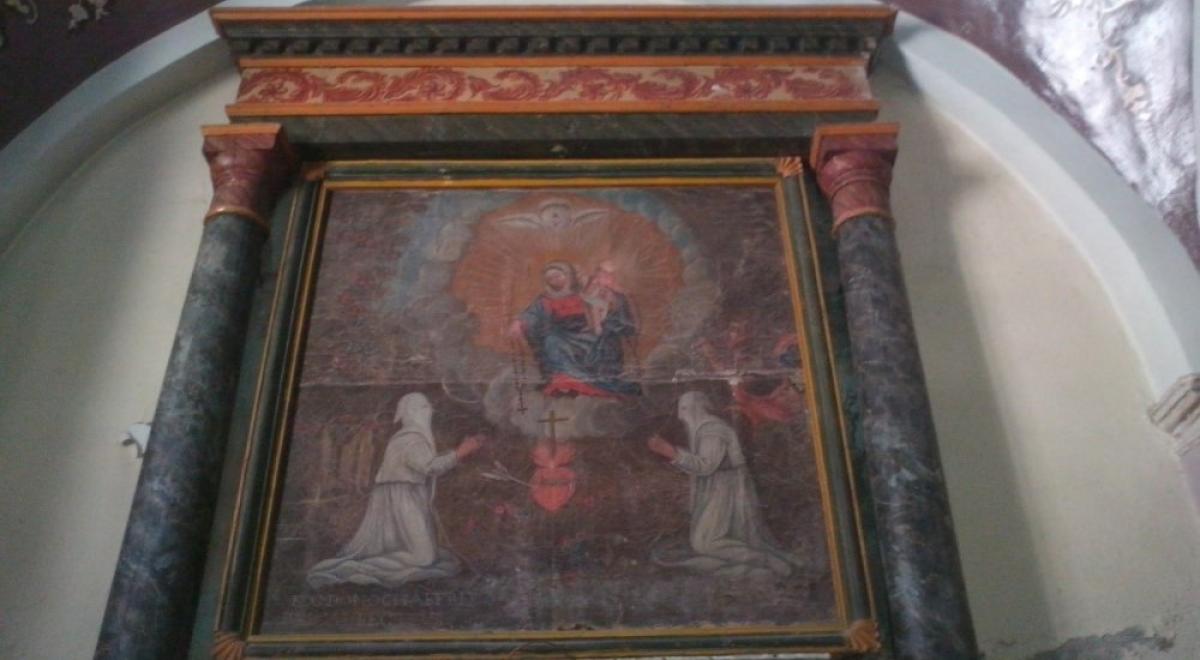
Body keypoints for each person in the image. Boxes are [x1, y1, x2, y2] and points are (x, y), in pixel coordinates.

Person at [306, 393, 483, 588]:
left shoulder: (409, 437)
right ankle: (358, 569)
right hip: (402, 497)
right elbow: (429, 467)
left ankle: (383, 561)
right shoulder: (410, 439)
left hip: (404, 494)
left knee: (425, 554)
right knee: (424, 558)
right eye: (424, 408)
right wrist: (460, 452)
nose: (429, 412)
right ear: (413, 412)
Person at [646, 391, 800, 578]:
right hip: (719, 486)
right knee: (704, 542)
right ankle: (762, 569)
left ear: (696, 408)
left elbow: (707, 466)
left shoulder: (713, 431)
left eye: (684, 409)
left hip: (725, 489)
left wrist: (671, 452)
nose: (681, 416)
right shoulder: (705, 429)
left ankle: (771, 563)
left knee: (706, 543)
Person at [507, 261, 640, 398]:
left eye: (558, 276)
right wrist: (519, 323)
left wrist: (605, 309)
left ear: (568, 276)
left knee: (605, 341)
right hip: (562, 335)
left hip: (588, 335)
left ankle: (594, 382)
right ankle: (564, 381)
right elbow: (531, 314)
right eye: (550, 278)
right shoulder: (545, 299)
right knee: (552, 341)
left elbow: (604, 308)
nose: (555, 280)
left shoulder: (584, 292)